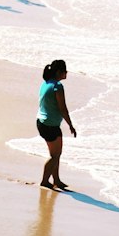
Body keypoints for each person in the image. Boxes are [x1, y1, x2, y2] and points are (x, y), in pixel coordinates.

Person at [36, 60, 76, 189]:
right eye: (65, 71)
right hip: (50, 125)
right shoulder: (57, 86)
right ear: (59, 72)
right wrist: (70, 125)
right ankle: (44, 181)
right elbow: (62, 108)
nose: (67, 73)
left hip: (41, 122)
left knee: (56, 154)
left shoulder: (46, 83)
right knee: (55, 155)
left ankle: (56, 180)